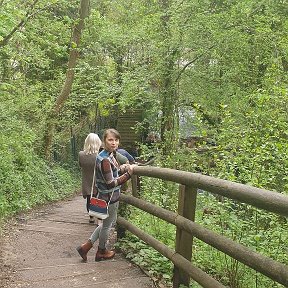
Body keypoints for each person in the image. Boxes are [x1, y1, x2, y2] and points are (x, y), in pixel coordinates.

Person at [76, 128, 135, 262]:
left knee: (105, 224)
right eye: (110, 140)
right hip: (110, 198)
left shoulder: (107, 155)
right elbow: (110, 183)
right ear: (104, 141)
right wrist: (128, 174)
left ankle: (86, 247)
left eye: (116, 140)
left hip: (105, 197)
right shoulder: (105, 159)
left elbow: (113, 172)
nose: (114, 143)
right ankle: (101, 251)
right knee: (107, 225)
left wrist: (122, 169)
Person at [78, 133, 102, 224]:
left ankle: (91, 216)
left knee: (89, 198)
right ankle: (98, 216)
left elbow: (80, 165)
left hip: (86, 180)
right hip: (98, 180)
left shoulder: (81, 155)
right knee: (98, 198)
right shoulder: (100, 156)